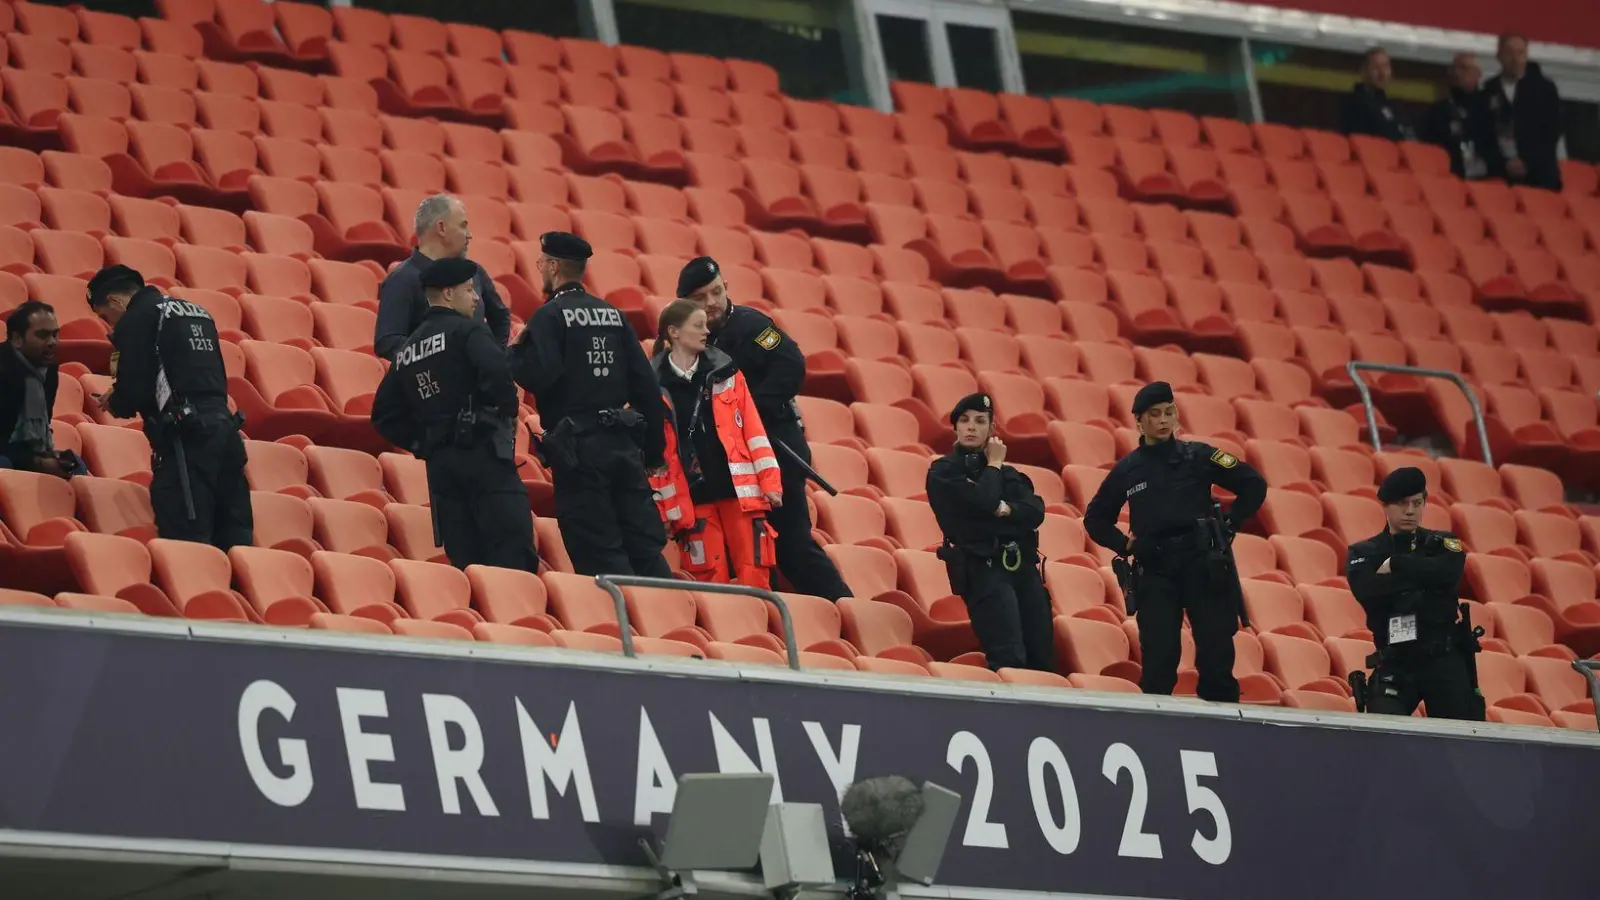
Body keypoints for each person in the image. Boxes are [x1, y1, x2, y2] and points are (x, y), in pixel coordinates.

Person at [677, 257, 852, 601]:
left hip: (774, 451)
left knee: (791, 545)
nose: (712, 303)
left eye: (716, 292)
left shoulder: (752, 326)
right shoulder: (683, 344)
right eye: (701, 297)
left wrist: (748, 411)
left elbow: (791, 363)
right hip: (726, 468)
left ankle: (845, 608)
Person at [1083, 382, 1267, 701]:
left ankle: (1224, 731)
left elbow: (1253, 484)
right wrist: (1125, 546)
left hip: (1203, 561)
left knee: (1216, 651)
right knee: (1160, 657)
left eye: (1170, 412)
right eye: (1155, 414)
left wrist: (1230, 522)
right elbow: (1095, 519)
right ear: (1139, 421)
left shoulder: (1200, 456)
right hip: (1155, 568)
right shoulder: (1128, 469)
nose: (1164, 420)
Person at [510, 232, 672, 578]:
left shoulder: (550, 317)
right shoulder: (613, 316)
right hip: (623, 446)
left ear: (553, 267)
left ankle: (627, 627)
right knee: (644, 546)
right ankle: (666, 622)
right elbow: (646, 387)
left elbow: (541, 375)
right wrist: (654, 452)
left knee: (599, 550)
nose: (541, 269)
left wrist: (514, 354)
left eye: (542, 263)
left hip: (580, 453)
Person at [371, 256, 536, 573]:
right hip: (485, 457)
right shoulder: (469, 332)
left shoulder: (409, 348)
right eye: (469, 290)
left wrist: (424, 441)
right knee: (512, 556)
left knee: (466, 562)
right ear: (448, 294)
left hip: (442, 467)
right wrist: (498, 416)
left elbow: (384, 414)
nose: (476, 298)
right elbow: (501, 382)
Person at [87, 265, 252, 550]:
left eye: (105, 316)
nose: (110, 324)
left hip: (186, 440)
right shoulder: (196, 311)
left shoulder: (136, 318)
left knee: (187, 539)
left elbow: (134, 388)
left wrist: (117, 401)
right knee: (233, 535)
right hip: (225, 430)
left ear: (116, 301)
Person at [649, 300, 782, 588]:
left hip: (739, 493)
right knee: (708, 579)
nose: (705, 331)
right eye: (698, 325)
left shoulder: (728, 373)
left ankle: (759, 628)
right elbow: (655, 457)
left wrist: (770, 484)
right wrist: (663, 509)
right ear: (674, 332)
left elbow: (754, 431)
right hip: (693, 500)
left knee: (755, 571)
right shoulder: (651, 385)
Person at [926, 393, 1054, 672]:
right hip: (983, 569)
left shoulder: (1008, 474)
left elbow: (1035, 511)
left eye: (980, 421)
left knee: (1042, 658)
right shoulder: (944, 472)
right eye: (964, 420)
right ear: (956, 428)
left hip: (1022, 568)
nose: (971, 426)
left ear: (991, 429)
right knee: (1010, 657)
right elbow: (983, 501)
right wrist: (994, 466)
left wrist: (1004, 509)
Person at [1346, 467, 1484, 721]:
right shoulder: (1364, 551)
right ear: (1386, 506)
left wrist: (1397, 565)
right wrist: (1423, 579)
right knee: (1383, 731)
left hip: (1443, 657)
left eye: (1417, 503)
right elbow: (1368, 590)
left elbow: (1447, 572)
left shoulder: (1443, 542)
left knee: (1462, 738)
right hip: (1396, 660)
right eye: (1402, 504)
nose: (1411, 511)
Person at [374, 193, 511, 361]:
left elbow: (500, 317)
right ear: (441, 228)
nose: (469, 235)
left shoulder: (474, 272)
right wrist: (437, 359)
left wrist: (491, 358)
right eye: (462, 226)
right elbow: (387, 341)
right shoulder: (401, 280)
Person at [1, 301, 87, 477]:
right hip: (7, 453)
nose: (52, 342)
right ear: (17, 339)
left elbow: (44, 424)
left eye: (55, 335)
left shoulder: (48, 372)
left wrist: (48, 458)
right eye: (43, 335)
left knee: (74, 464)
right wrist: (36, 462)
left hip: (21, 453)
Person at [1483, 33, 1565, 192]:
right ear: (1499, 55)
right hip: (1500, 177)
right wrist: (1503, 163)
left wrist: (1527, 161)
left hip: (1540, 178)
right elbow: (1484, 134)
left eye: (1520, 53)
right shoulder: (1489, 90)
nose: (1515, 58)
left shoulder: (1544, 89)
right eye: (1510, 52)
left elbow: (1552, 131)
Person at [1422, 53, 1495, 180]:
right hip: (1447, 179)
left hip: (1486, 180)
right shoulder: (1438, 111)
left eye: (1463, 68)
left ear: (1478, 74)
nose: (1457, 73)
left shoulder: (1490, 108)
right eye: (1454, 69)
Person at [1340, 47, 1415, 141]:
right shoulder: (1355, 103)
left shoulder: (1395, 107)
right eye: (1376, 67)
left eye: (1385, 66)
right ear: (1364, 71)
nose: (1382, 73)